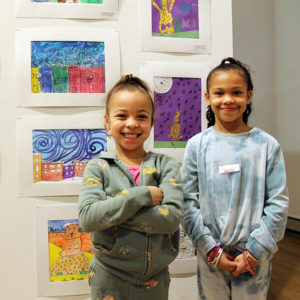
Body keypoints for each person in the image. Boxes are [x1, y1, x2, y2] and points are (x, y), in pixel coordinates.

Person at [181, 57, 289, 300]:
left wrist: (255, 252)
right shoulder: (197, 146)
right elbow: (186, 203)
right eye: (219, 93)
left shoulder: (266, 146)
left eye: (237, 92)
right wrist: (210, 249)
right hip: (212, 256)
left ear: (248, 96)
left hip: (254, 258)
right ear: (208, 97)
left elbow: (278, 204)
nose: (228, 99)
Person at [78, 74, 183, 300]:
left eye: (142, 116)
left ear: (152, 121)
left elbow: (172, 219)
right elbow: (88, 219)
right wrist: (140, 196)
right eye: (122, 115)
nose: (132, 123)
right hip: (107, 278)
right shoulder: (98, 167)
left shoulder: (166, 165)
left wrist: (111, 210)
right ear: (107, 121)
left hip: (156, 279)